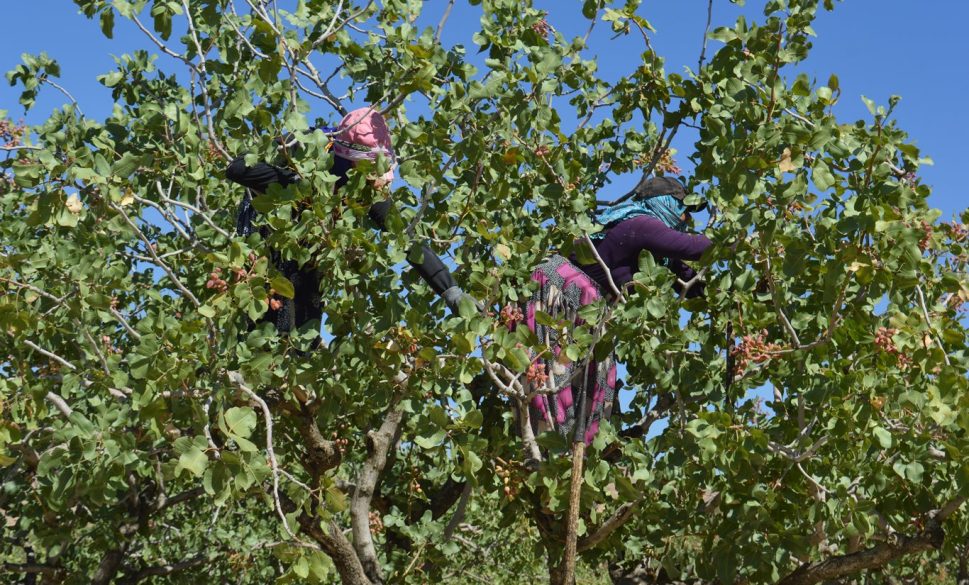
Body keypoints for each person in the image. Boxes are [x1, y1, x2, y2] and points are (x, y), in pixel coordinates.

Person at [225, 106, 468, 334]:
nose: (379, 180)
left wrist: (451, 291)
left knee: (303, 327)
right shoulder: (308, 143)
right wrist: (300, 187)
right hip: (265, 237)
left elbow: (406, 240)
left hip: (307, 250)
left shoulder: (368, 188)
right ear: (353, 162)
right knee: (263, 324)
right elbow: (237, 168)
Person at [524, 176, 712, 445]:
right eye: (681, 207)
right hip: (559, 299)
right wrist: (739, 240)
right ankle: (548, 456)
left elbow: (691, 284)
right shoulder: (641, 224)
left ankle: (571, 461)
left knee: (587, 405)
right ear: (661, 202)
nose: (685, 218)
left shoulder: (656, 250)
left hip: (587, 313)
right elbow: (696, 248)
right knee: (553, 390)